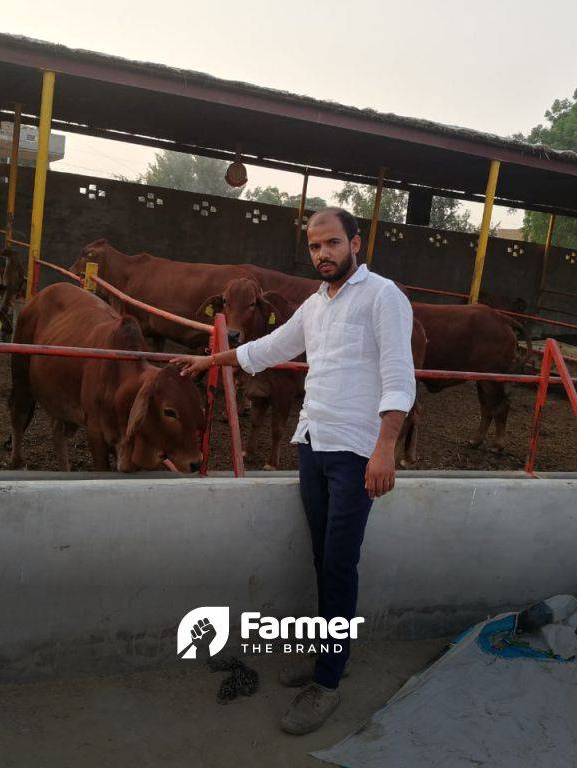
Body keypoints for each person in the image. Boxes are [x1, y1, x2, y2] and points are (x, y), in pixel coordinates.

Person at [171, 206, 415, 735]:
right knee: (320, 559)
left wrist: (386, 448)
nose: (322, 254)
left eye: (331, 243)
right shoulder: (316, 305)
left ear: (355, 242)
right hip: (313, 444)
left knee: (340, 565)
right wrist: (211, 363)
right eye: (313, 246)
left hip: (356, 453)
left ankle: (326, 683)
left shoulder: (383, 296)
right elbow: (270, 349)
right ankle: (332, 652)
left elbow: (399, 375)